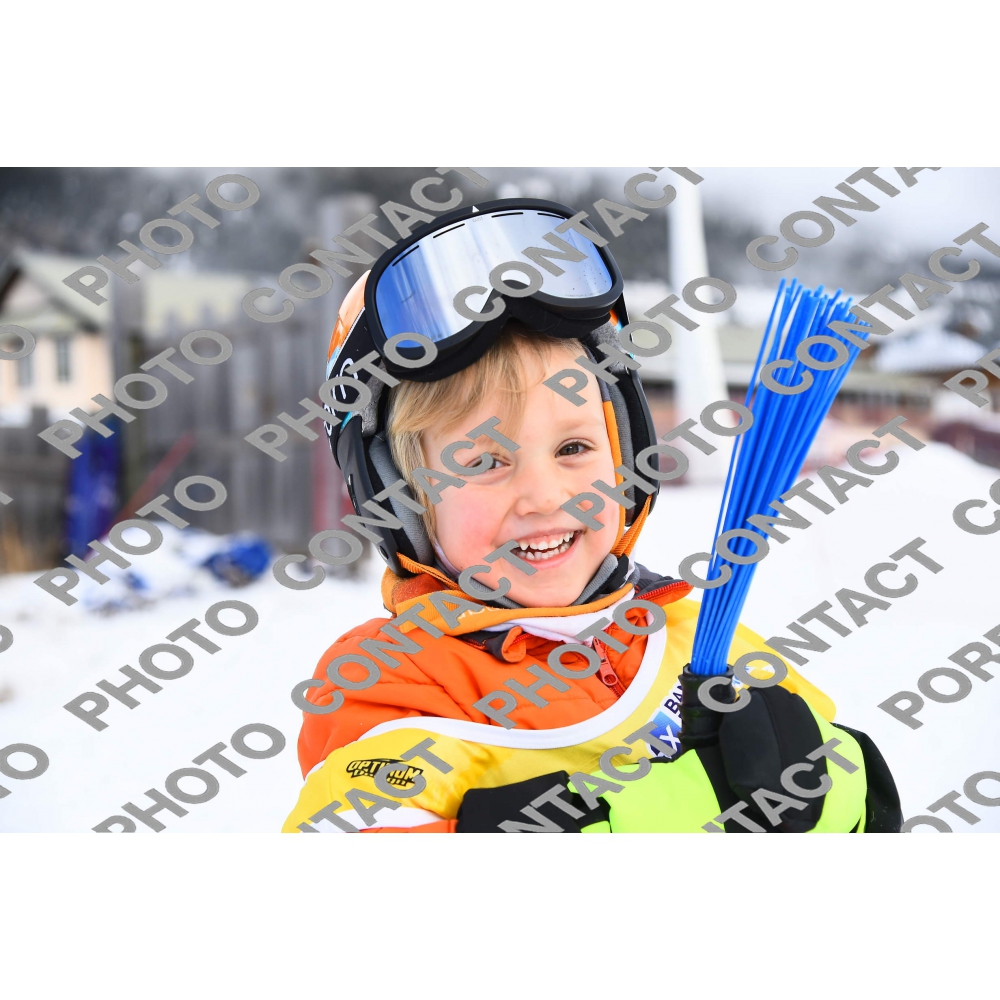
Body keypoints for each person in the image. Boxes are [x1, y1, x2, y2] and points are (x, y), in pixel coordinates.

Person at [282, 198, 901, 834]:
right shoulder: (391, 680)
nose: (545, 496)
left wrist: (829, 799)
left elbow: (852, 792)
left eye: (573, 448)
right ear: (399, 498)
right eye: (485, 462)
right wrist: (644, 816)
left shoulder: (700, 638)